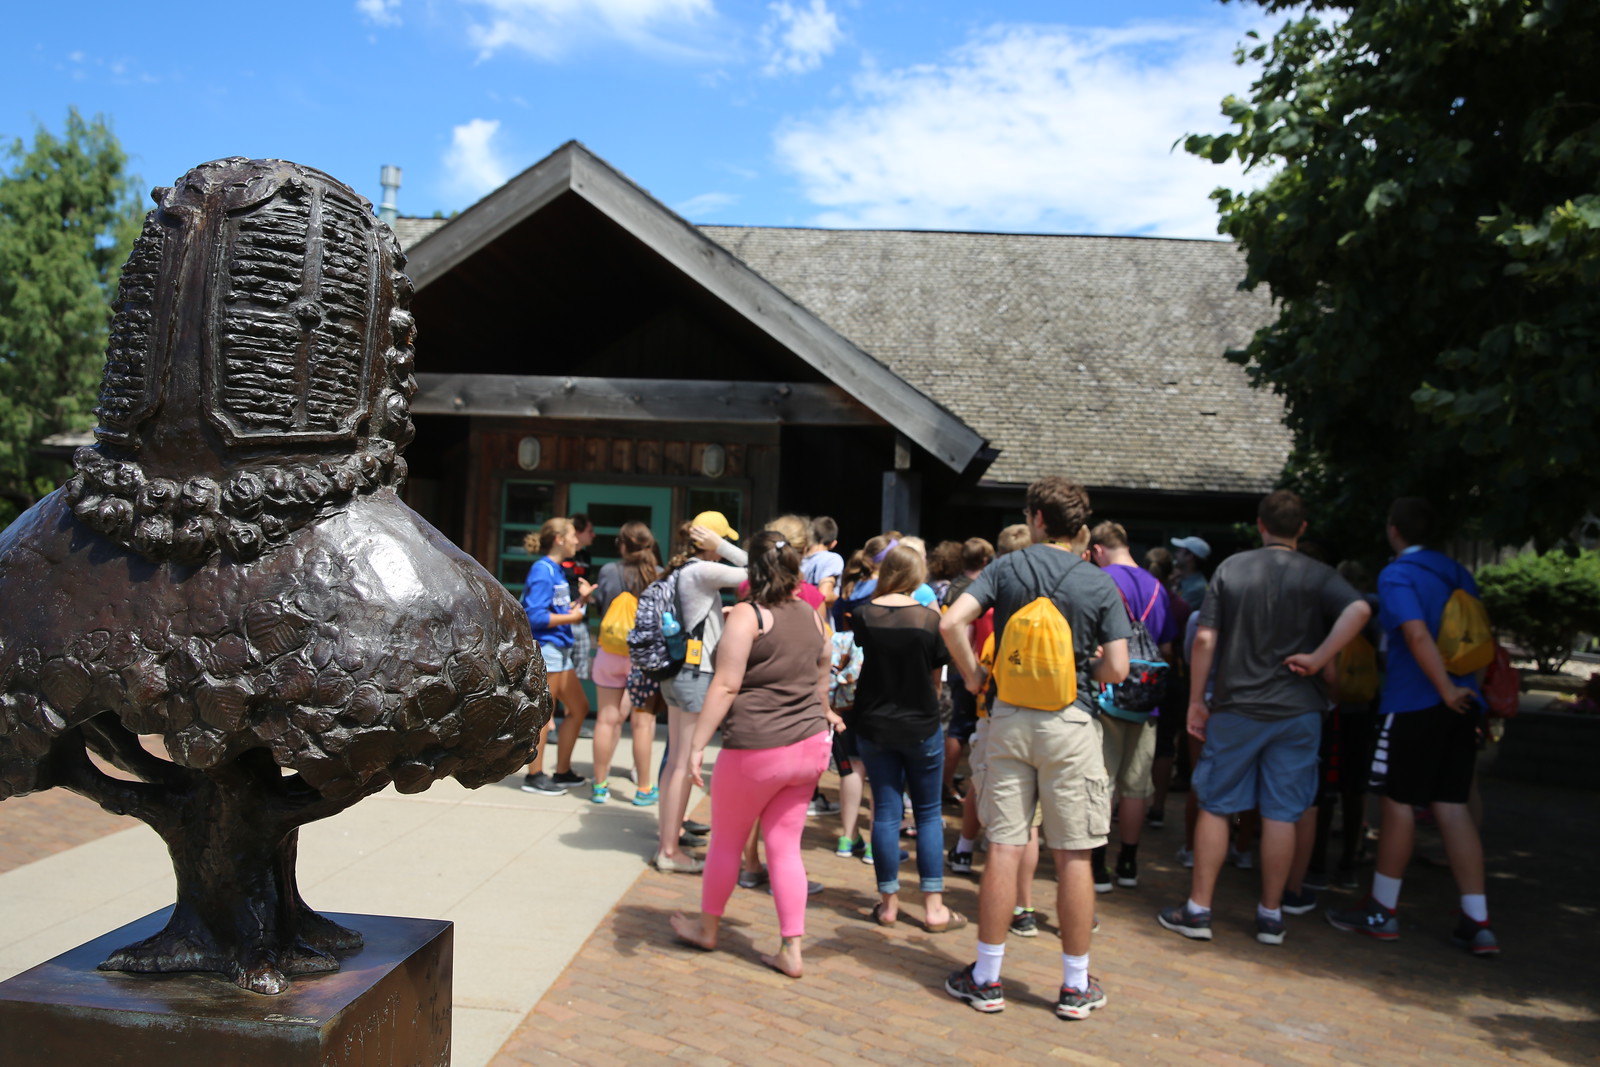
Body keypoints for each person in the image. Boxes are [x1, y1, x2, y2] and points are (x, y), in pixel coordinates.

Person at [940, 477, 1131, 1021]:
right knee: (1074, 853)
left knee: (1003, 844)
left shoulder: (1007, 568)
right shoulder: (1098, 583)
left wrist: (976, 675)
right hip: (1071, 721)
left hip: (1009, 717)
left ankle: (986, 977)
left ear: (1038, 519)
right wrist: (1086, 666)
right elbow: (1117, 666)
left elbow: (952, 620)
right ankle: (1074, 986)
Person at [1157, 490, 1370, 947]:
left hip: (1239, 705)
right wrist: (1319, 658)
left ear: (1260, 525)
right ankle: (1271, 913)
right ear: (1303, 529)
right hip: (1299, 710)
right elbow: (1359, 609)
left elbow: (1205, 639)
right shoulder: (1320, 575)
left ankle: (1198, 909)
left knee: (1216, 803)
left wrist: (1197, 698)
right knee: (1282, 811)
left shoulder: (1233, 570)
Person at [1327, 497, 1499, 956]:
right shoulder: (1459, 573)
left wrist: (1442, 688)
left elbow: (1416, 633)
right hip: (1463, 704)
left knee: (1398, 802)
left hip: (1414, 702)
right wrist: (1466, 693)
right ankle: (1477, 919)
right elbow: (1481, 641)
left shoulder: (1399, 574)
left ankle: (1382, 909)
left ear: (1394, 530)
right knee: (1452, 804)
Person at [669, 531, 836, 978]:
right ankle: (791, 949)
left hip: (759, 747)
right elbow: (822, 674)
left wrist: (698, 745)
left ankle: (707, 929)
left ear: (753, 573)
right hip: (810, 746)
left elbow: (725, 685)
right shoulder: (813, 614)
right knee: (785, 847)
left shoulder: (747, 614)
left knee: (726, 838)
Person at [851, 544, 958, 930]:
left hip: (876, 722)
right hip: (920, 723)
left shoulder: (864, 614)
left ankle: (889, 904)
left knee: (886, 811)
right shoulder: (931, 619)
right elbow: (935, 677)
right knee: (928, 813)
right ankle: (933, 907)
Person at [653, 513, 748, 874]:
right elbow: (760, 570)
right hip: (694, 676)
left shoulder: (684, 570)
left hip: (678, 674)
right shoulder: (703, 570)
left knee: (675, 760)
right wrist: (721, 546)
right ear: (711, 541)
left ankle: (667, 843)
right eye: (722, 543)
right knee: (682, 762)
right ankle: (669, 849)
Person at [1087, 521, 1177, 892]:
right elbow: (1169, 649)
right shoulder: (1158, 587)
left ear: (1097, 550)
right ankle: (1129, 863)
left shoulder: (1101, 581)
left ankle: (1098, 865)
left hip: (1108, 693)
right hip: (1147, 702)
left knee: (1102, 781)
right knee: (1137, 787)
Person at [520, 517, 595, 795]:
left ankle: (562, 771)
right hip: (548, 651)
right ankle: (535, 775)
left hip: (560, 651)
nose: (578, 540)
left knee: (579, 708)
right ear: (560, 539)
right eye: (573, 535)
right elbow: (534, 615)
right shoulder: (542, 570)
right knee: (544, 716)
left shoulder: (556, 570)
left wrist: (581, 603)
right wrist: (573, 617)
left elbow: (560, 611)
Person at [589, 521, 661, 804]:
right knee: (642, 724)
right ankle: (644, 789)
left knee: (606, 719)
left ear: (622, 545)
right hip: (643, 657)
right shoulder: (658, 574)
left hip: (610, 653)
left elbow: (601, 604)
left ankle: (599, 786)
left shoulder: (608, 571)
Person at [801, 516, 845, 608]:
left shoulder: (797, 558)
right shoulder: (832, 559)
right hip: (820, 619)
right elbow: (825, 596)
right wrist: (844, 600)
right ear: (833, 543)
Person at [1170, 535, 1211, 611]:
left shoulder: (1196, 589)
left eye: (1179, 551)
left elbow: (1173, 613)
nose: (1176, 554)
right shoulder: (1182, 581)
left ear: (1190, 557)